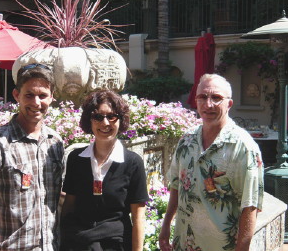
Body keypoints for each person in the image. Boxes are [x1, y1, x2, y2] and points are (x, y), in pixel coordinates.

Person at [159, 74, 264, 251]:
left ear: (229, 104)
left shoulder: (244, 148)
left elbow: (250, 205)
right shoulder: (186, 141)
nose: (208, 104)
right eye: (202, 97)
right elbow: (177, 185)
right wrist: (166, 225)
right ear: (196, 101)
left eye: (216, 98)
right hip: (183, 243)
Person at [0, 63, 64, 250]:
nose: (36, 103)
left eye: (43, 95)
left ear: (52, 97)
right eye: (29, 95)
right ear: (16, 95)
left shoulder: (55, 143)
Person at [60, 90, 148, 251]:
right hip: (79, 244)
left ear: (121, 120)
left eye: (112, 116)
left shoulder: (133, 163)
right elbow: (69, 206)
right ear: (90, 121)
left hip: (115, 244)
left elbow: (138, 218)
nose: (105, 123)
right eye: (98, 117)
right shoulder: (76, 159)